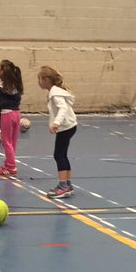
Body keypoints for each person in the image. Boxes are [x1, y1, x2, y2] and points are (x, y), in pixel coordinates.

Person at [38, 65, 77, 198]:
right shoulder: (56, 91)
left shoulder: (55, 93)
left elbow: (63, 108)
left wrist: (56, 123)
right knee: (62, 155)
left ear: (45, 80)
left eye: (39, 79)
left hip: (65, 127)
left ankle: (63, 186)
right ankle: (67, 184)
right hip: (70, 126)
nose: (39, 82)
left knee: (58, 155)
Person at [0, 59, 24, 177]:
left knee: (6, 142)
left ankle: (11, 167)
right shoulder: (16, 86)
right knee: (12, 141)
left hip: (7, 115)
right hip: (16, 114)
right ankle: (8, 164)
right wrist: (0, 121)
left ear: (2, 72)